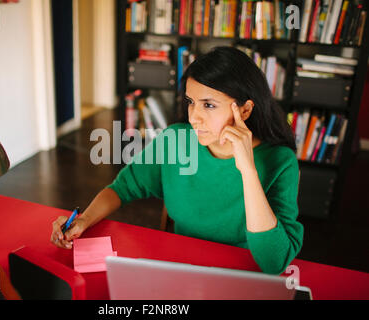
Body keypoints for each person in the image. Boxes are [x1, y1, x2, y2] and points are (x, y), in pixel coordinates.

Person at [50, 46, 303, 275]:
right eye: (192, 102)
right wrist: (84, 220)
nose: (194, 117)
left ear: (245, 110)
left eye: (209, 105)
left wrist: (248, 171)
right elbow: (121, 188)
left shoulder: (280, 162)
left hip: (242, 277)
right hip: (182, 269)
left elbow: (273, 263)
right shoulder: (175, 140)